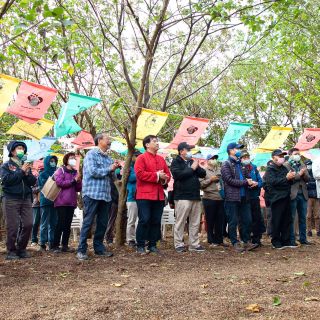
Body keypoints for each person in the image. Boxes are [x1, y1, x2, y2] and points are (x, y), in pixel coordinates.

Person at [77, 133, 121, 260]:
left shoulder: (108, 158)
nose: (109, 141)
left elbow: (112, 177)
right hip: (91, 194)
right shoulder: (91, 154)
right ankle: (81, 250)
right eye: (107, 139)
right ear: (99, 141)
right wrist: (109, 168)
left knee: (102, 223)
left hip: (105, 195)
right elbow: (93, 172)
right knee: (88, 222)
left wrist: (117, 170)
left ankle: (99, 248)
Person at [134, 135, 171, 254]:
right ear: (147, 145)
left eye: (157, 141)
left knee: (156, 220)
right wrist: (156, 175)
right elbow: (139, 174)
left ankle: (152, 245)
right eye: (154, 141)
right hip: (144, 195)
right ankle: (140, 245)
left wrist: (164, 178)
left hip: (159, 195)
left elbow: (168, 175)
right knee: (144, 220)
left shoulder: (161, 159)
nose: (157, 143)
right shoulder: (141, 158)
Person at [1, 141, 37, 260]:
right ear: (12, 151)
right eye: (18, 148)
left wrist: (27, 174)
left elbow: (32, 182)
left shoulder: (26, 164)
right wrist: (21, 171)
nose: (21, 150)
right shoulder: (6, 166)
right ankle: (11, 251)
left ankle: (21, 248)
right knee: (13, 226)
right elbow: (6, 181)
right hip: (11, 198)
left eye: (22, 148)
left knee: (28, 224)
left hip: (25, 198)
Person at [221, 142, 258, 252]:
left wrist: (251, 182)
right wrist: (245, 182)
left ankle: (246, 241)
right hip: (232, 197)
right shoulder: (225, 164)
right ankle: (235, 242)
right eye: (237, 149)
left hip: (244, 196)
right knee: (233, 221)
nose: (239, 151)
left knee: (247, 220)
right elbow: (229, 180)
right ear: (231, 150)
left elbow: (247, 176)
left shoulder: (241, 164)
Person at [171, 142, 206, 253]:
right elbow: (178, 175)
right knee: (180, 221)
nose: (191, 152)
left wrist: (196, 164)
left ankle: (194, 244)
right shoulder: (176, 161)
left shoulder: (192, 161)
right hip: (182, 196)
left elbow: (203, 173)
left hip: (195, 195)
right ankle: (179, 244)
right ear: (182, 151)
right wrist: (191, 169)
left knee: (195, 221)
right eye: (188, 149)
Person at [263, 149, 296, 249]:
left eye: (283, 156)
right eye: (280, 156)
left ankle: (286, 241)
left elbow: (288, 182)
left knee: (286, 219)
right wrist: (286, 179)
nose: (282, 158)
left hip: (286, 196)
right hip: (276, 198)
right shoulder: (270, 169)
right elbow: (273, 182)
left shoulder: (284, 168)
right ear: (274, 158)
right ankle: (276, 241)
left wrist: (290, 178)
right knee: (276, 220)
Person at [53, 152, 82, 252]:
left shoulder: (75, 172)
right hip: (61, 202)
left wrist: (78, 180)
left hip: (71, 202)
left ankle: (65, 245)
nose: (73, 159)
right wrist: (73, 181)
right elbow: (59, 183)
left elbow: (78, 188)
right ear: (66, 160)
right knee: (60, 223)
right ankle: (54, 245)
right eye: (71, 158)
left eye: (74, 158)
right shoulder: (60, 170)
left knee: (67, 224)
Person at [199, 154, 227, 248]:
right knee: (210, 220)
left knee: (220, 220)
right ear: (207, 160)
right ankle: (211, 240)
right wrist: (210, 179)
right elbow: (201, 185)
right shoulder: (203, 171)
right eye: (212, 158)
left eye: (215, 158)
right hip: (209, 198)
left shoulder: (219, 170)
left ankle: (219, 240)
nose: (214, 160)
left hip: (220, 198)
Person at [285, 148, 310, 246]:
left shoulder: (302, 164)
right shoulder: (286, 165)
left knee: (302, 217)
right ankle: (292, 239)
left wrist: (303, 175)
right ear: (290, 155)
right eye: (295, 154)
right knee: (291, 217)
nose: (298, 155)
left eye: (299, 154)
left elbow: (308, 178)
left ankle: (303, 239)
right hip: (292, 194)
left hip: (303, 194)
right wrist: (299, 174)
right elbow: (288, 179)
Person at [240, 151, 266, 246]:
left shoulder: (254, 167)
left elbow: (261, 181)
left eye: (247, 157)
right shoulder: (239, 168)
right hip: (245, 197)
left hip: (255, 196)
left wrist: (256, 184)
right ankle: (245, 239)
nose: (246, 159)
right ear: (241, 159)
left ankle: (257, 239)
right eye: (244, 157)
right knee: (246, 219)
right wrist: (247, 184)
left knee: (257, 218)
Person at [38, 155, 58, 251]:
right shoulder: (42, 174)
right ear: (46, 162)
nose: (52, 163)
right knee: (44, 223)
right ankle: (42, 243)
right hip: (45, 201)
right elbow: (43, 186)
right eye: (51, 161)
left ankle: (52, 243)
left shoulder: (58, 172)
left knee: (53, 223)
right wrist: (52, 178)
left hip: (55, 201)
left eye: (54, 161)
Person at [126, 150, 141, 246]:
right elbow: (131, 178)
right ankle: (130, 239)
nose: (138, 157)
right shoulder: (129, 167)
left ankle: (139, 238)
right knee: (131, 219)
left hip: (142, 196)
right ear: (132, 157)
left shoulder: (141, 166)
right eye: (137, 156)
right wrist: (141, 173)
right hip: (131, 197)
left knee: (140, 220)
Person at [305, 159, 320, 237]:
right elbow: (306, 185)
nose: (309, 165)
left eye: (310, 164)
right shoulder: (305, 173)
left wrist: (309, 184)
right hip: (308, 197)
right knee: (308, 216)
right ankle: (309, 231)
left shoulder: (315, 172)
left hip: (317, 196)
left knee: (317, 215)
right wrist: (313, 183)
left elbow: (315, 183)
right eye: (308, 164)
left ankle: (318, 231)